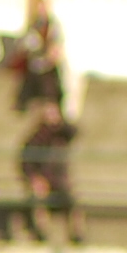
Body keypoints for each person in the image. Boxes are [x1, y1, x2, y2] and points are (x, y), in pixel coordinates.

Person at [19, 99, 84, 244]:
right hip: (43, 182)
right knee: (38, 200)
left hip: (59, 181)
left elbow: (74, 132)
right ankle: (41, 235)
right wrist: (35, 179)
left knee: (73, 204)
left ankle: (77, 236)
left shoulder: (61, 134)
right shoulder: (36, 137)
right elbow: (26, 163)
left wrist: (61, 122)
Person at [12, 0, 64, 112]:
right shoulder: (34, 25)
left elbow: (56, 47)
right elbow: (24, 44)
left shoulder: (53, 25)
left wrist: (51, 55)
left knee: (50, 89)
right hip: (34, 63)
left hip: (48, 65)